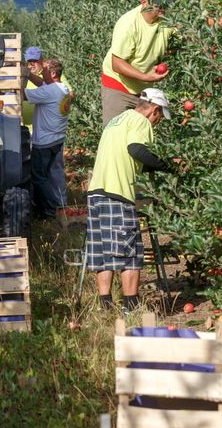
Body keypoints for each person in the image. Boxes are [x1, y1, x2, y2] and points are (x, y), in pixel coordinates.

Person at [86, 88, 173, 312]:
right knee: (130, 253)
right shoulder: (140, 122)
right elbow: (136, 150)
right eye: (160, 117)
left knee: (103, 252)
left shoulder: (117, 121)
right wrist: (168, 166)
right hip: (117, 194)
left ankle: (104, 305)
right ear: (154, 110)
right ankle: (131, 306)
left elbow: (128, 159)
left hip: (96, 193)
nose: (158, 122)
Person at [100, 0, 176, 126]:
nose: (163, 6)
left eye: (165, 1)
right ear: (144, 2)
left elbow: (185, 39)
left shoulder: (166, 20)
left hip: (144, 89)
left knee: (141, 136)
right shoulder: (129, 24)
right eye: (159, 2)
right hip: (119, 86)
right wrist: (146, 77)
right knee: (116, 132)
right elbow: (117, 64)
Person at [21, 47, 74, 209]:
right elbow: (43, 84)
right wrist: (29, 74)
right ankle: (55, 204)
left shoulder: (49, 92)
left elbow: (20, 95)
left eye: (44, 70)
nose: (41, 72)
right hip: (57, 139)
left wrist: (19, 78)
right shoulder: (62, 88)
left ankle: (52, 208)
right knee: (51, 172)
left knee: (39, 177)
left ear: (52, 74)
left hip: (43, 142)